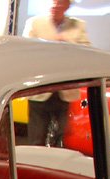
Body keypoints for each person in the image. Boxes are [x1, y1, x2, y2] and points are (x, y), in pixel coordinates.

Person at [22, 1, 90, 147]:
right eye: (54, 3)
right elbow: (26, 50)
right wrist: (51, 44)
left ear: (67, 6)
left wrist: (66, 43)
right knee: (36, 139)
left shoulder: (78, 26)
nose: (55, 7)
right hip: (40, 89)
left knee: (62, 139)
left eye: (60, 3)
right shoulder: (35, 23)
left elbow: (86, 51)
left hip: (65, 90)